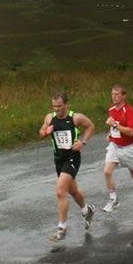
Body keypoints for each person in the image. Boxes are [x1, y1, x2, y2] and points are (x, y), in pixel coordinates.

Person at [39, 91, 96, 241]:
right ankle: (87, 210)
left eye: (59, 106)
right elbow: (41, 131)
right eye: (54, 106)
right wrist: (45, 131)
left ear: (66, 105)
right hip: (59, 159)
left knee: (60, 191)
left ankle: (62, 228)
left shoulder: (75, 117)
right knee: (74, 191)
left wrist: (82, 142)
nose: (56, 109)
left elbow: (90, 126)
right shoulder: (49, 118)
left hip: (72, 158)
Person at [102, 84, 133, 213]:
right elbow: (114, 127)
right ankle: (113, 199)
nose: (114, 97)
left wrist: (115, 125)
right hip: (114, 146)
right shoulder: (111, 109)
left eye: (117, 94)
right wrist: (111, 134)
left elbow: (131, 132)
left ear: (123, 96)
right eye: (113, 94)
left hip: (128, 148)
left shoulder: (129, 111)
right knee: (107, 171)